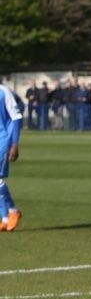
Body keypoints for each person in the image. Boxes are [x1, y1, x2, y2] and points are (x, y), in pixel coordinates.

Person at [0, 81, 24, 231]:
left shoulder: (3, 92)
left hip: (3, 139)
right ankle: (4, 218)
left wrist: (15, 144)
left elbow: (16, 117)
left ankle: (13, 212)